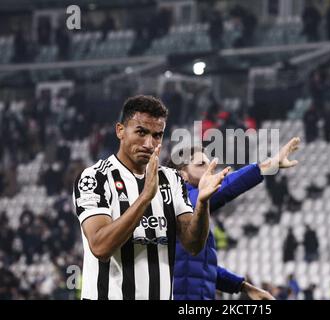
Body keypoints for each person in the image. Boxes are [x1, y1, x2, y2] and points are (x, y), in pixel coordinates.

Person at [72, 95, 230, 300]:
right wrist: (146, 196)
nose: (149, 143)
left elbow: (193, 245)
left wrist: (202, 202)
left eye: (157, 135)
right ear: (120, 130)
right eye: (141, 132)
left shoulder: (171, 179)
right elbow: (100, 247)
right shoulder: (95, 177)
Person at [167, 137, 300, 300]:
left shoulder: (198, 209)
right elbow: (227, 187)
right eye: (201, 164)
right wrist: (269, 165)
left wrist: (244, 286)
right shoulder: (179, 201)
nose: (209, 169)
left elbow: (202, 268)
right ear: (182, 175)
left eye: (209, 164)